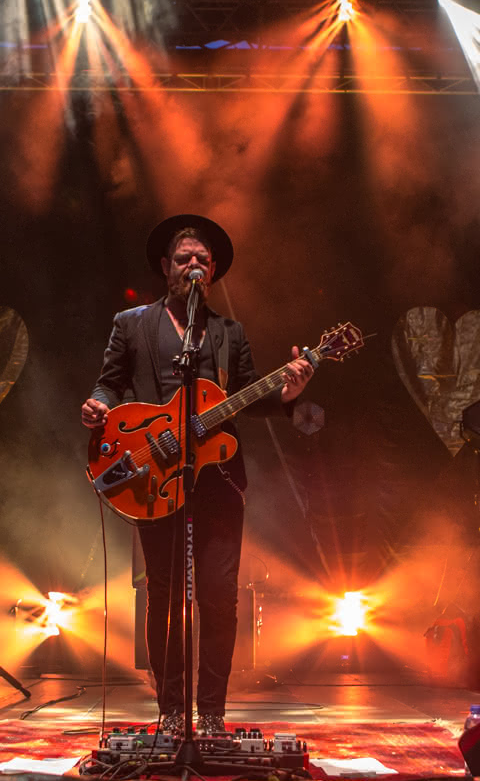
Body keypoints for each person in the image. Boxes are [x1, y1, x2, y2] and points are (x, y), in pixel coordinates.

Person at [81, 215, 314, 736]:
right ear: (166, 266)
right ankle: (170, 709)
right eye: (184, 258)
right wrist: (97, 404)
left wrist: (287, 393)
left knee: (218, 595)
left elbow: (249, 393)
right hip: (153, 471)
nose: (193, 266)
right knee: (163, 593)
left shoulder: (229, 333)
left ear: (212, 273)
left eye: (202, 261)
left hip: (218, 478)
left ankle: (209, 712)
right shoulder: (132, 324)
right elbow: (109, 383)